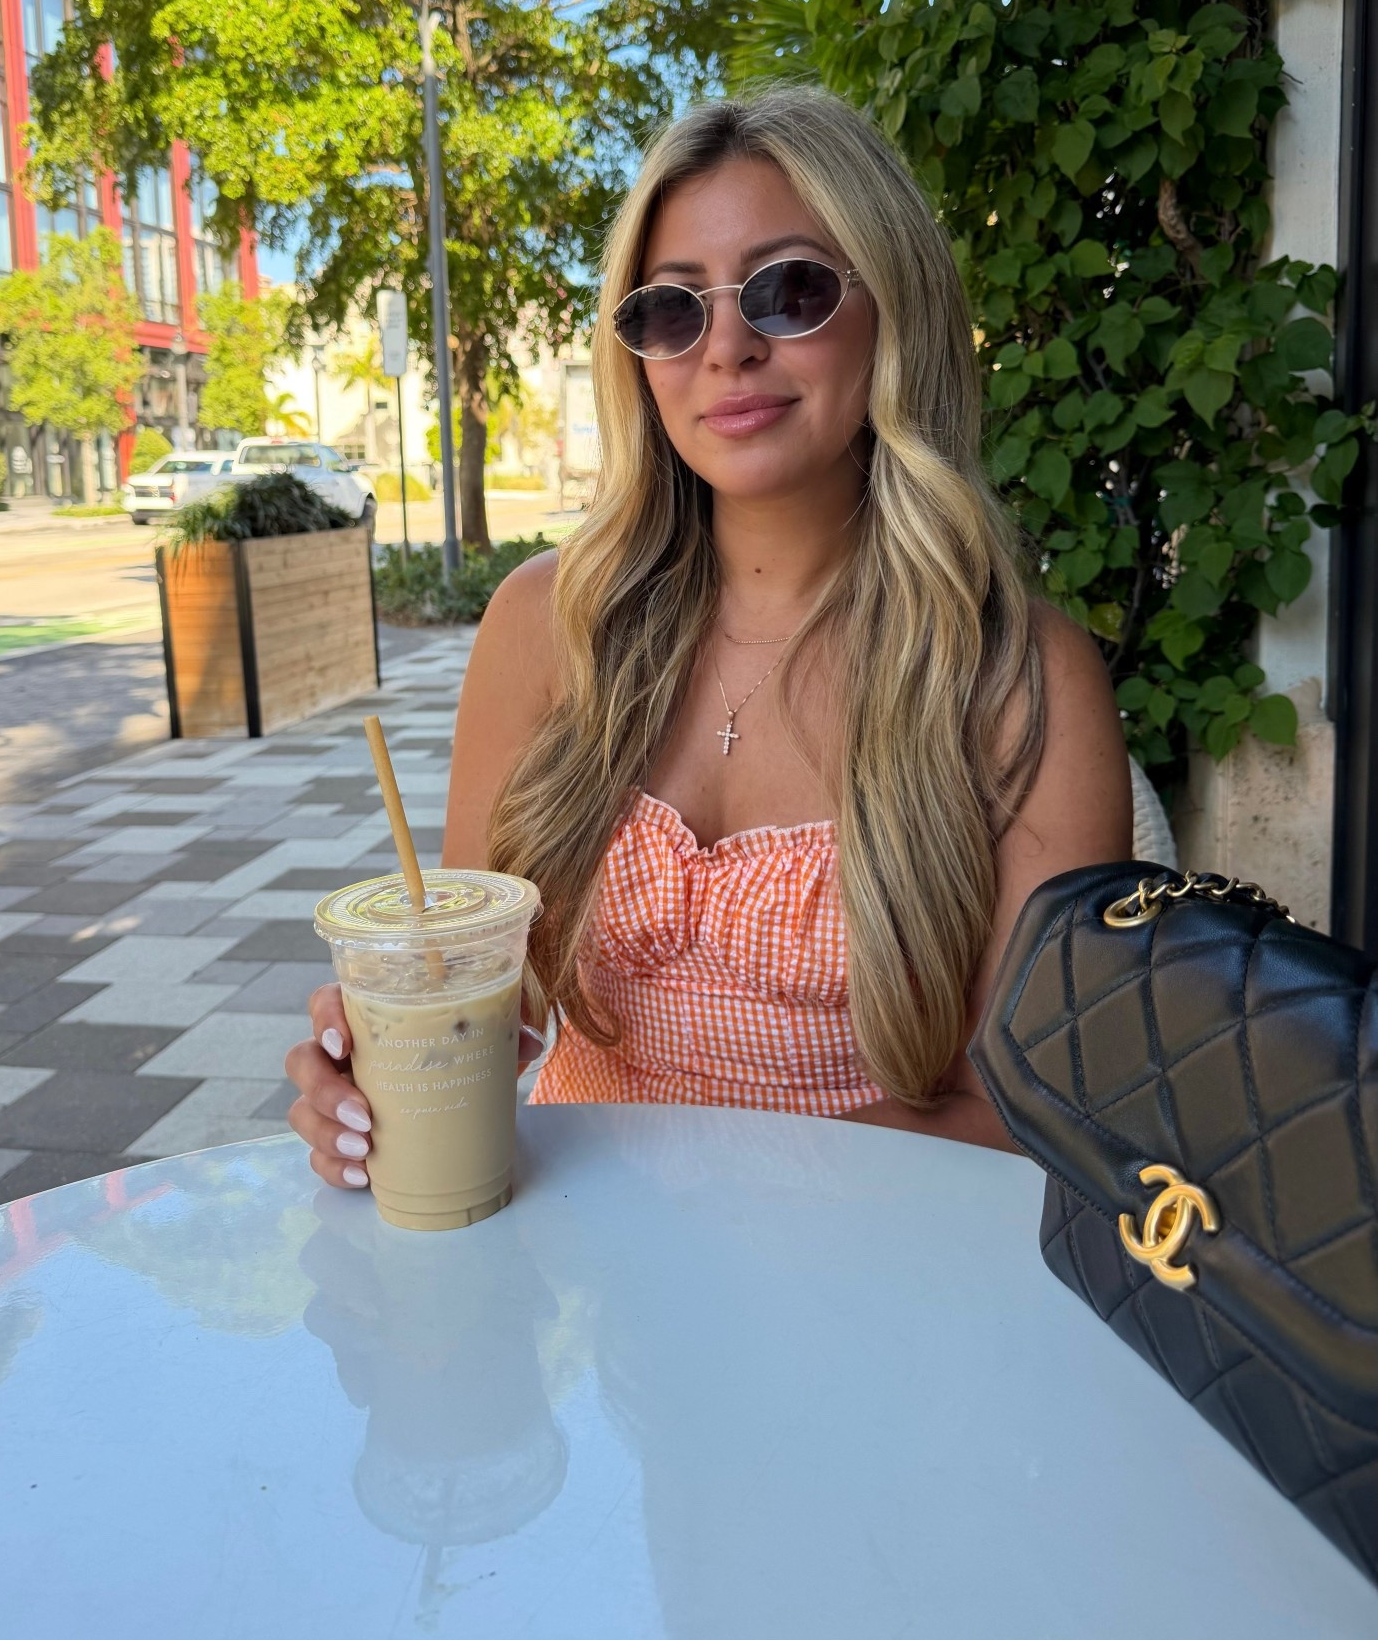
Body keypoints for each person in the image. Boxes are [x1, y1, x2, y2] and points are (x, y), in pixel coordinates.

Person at [285, 85, 1132, 1188]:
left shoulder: (1019, 680)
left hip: (884, 1286)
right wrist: (385, 1069)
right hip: (591, 1300)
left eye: (788, 290)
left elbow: (1041, 1108)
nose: (724, 345)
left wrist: (704, 1187)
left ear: (894, 309)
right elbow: (497, 1005)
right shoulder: (546, 626)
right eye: (670, 309)